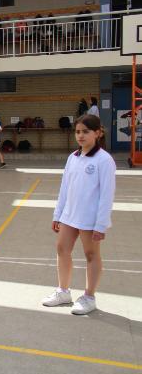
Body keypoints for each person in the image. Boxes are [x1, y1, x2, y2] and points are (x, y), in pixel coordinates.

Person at [42, 115, 116, 315]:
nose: (81, 135)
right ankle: (63, 292)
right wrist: (58, 214)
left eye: (85, 131)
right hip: (69, 214)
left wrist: (101, 224)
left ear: (97, 133)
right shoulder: (73, 157)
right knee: (62, 249)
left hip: (90, 218)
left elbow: (107, 195)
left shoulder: (104, 160)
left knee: (91, 255)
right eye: (77, 132)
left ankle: (89, 297)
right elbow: (65, 188)